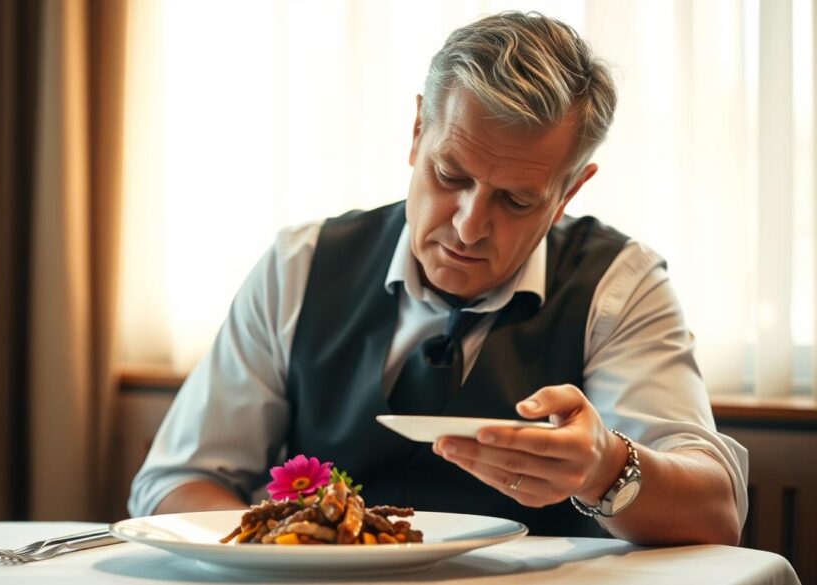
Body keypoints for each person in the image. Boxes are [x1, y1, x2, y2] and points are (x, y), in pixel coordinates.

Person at [129, 11, 746, 545]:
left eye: (517, 200)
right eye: (450, 176)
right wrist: (288, 551)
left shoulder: (619, 284)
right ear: (417, 130)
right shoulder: (300, 264)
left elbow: (717, 514)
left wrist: (606, 468)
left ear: (568, 192)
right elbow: (173, 483)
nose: (469, 226)